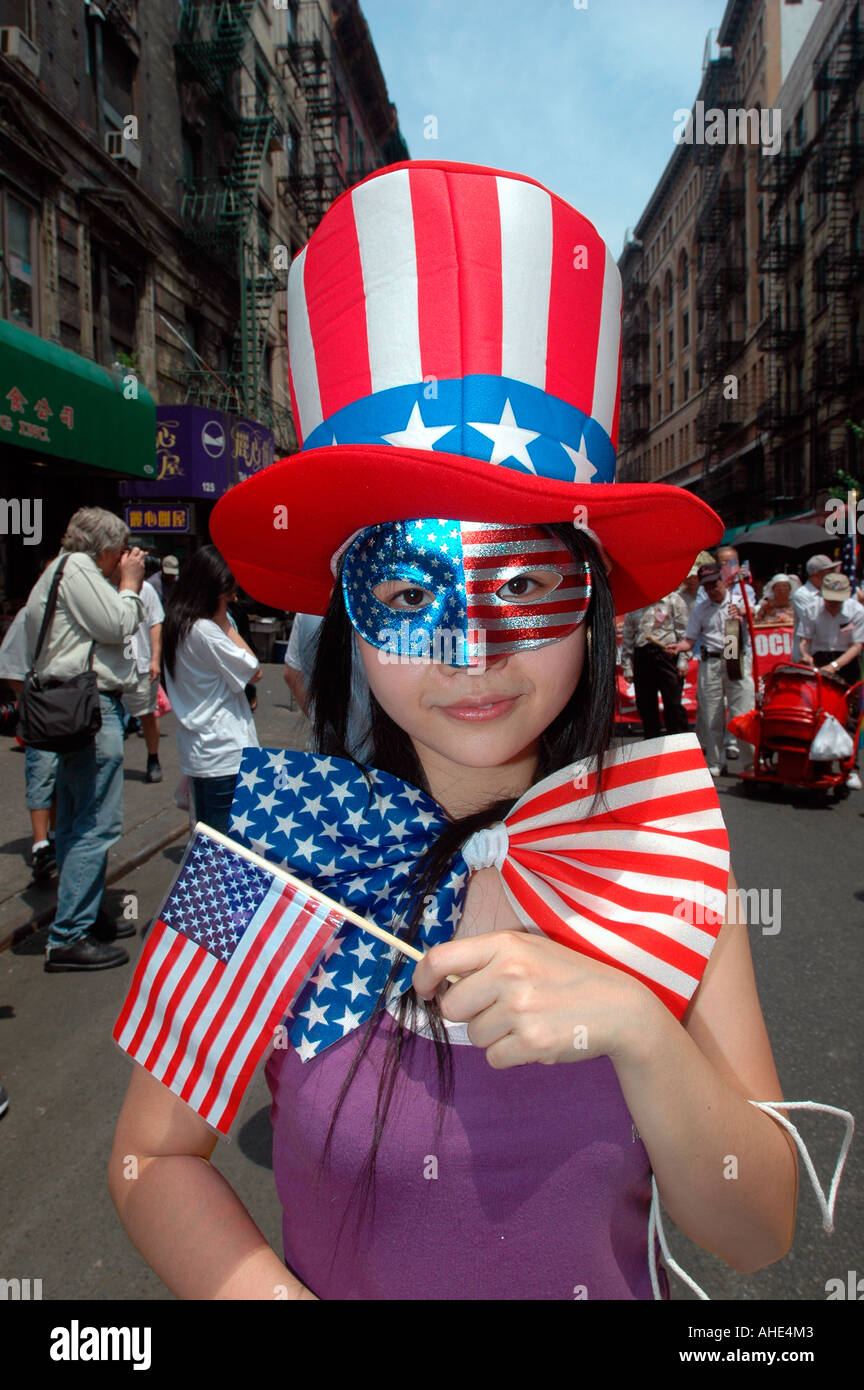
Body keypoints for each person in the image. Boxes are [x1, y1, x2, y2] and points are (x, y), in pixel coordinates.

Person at [107, 162, 825, 1303]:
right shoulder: (263, 850)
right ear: (347, 612)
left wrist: (640, 1027)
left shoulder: (663, 851)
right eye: (408, 596)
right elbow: (150, 1156)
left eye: (529, 586)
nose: (472, 653)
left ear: (593, 609)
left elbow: (759, 1231)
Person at [24, 508, 146, 971]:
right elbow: (117, 623)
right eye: (120, 553)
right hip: (93, 707)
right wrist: (131, 584)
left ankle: (84, 914)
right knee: (96, 823)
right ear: (107, 549)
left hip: (77, 707)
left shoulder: (56, 571)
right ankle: (69, 934)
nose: (122, 561)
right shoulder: (77, 567)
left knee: (77, 819)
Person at [161, 546, 261, 835]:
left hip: (199, 750)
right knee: (224, 847)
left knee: (206, 839)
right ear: (210, 591)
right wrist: (227, 625)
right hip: (223, 752)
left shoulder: (177, 625)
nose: (233, 599)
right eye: (228, 593)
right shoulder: (206, 630)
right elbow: (255, 670)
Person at [668, 562, 755, 776]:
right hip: (711, 661)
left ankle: (750, 762)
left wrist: (745, 612)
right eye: (707, 586)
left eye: (715, 584)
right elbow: (690, 639)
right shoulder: (701, 609)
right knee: (711, 713)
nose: (712, 590)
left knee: (742, 712)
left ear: (723, 581)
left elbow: (759, 615)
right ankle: (717, 761)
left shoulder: (738, 600)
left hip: (736, 657)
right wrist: (681, 646)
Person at [0, 603, 58, 880]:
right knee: (42, 773)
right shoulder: (31, 613)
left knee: (64, 778)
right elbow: (10, 663)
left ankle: (57, 836)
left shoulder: (83, 607)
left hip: (76, 712)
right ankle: (40, 845)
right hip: (41, 712)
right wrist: (30, 701)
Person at [798, 572, 864, 790]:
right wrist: (806, 655)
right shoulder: (812, 609)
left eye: (838, 599)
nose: (834, 604)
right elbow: (805, 640)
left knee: (848, 717)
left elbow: (857, 646)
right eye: (830, 599)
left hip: (846, 661)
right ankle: (818, 764)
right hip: (820, 658)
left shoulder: (857, 611)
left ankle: (849, 767)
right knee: (818, 713)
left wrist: (835, 667)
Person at [283, 611, 372, 758]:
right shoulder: (388, 611)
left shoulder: (306, 611)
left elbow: (291, 674)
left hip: (325, 756)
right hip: (384, 765)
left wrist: (318, 715)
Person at [620, 589, 690, 739]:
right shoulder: (635, 603)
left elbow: (684, 633)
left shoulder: (673, 600)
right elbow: (628, 635)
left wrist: (683, 660)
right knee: (646, 705)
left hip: (667, 654)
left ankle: (677, 742)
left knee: (673, 704)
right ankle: (652, 743)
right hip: (643, 656)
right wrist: (626, 666)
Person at [122, 574, 164, 783]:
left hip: (141, 663)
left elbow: (156, 623)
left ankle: (153, 758)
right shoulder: (102, 586)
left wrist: (155, 658)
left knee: (147, 714)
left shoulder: (146, 589)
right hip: (110, 667)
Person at [791, 554, 841, 661]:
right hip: (807, 656)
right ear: (816, 574)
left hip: (829, 654)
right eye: (829, 571)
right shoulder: (802, 595)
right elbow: (817, 621)